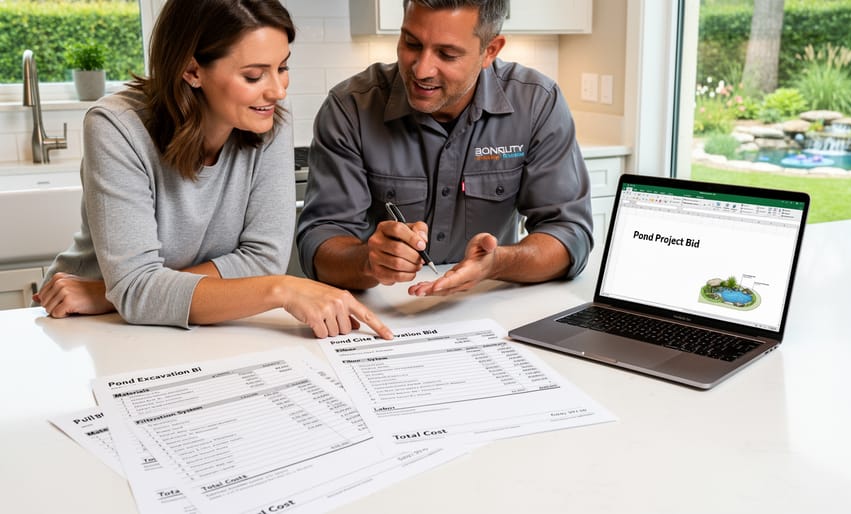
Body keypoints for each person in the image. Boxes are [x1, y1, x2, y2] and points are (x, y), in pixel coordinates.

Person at [32, 0, 391, 340]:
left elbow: (264, 259)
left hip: (148, 314)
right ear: (192, 71)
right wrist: (282, 288)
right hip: (90, 325)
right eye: (254, 76)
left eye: (282, 68)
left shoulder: (269, 120)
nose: (278, 91)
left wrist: (117, 293)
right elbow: (138, 289)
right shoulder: (116, 126)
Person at [296, 0, 593, 298]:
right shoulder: (350, 108)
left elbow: (569, 234)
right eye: (411, 43)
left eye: (447, 54)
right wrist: (367, 261)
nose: (421, 69)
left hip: (487, 308)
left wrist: (497, 263)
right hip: (381, 314)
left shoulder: (538, 104)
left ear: (489, 50)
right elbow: (319, 241)